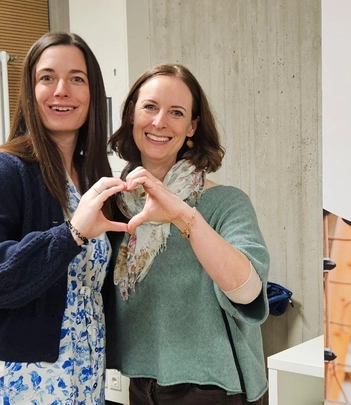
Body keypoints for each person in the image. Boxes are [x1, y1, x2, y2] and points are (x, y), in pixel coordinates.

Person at [0, 32, 128, 404]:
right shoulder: (1, 168)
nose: (62, 90)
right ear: (30, 90)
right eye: (47, 77)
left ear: (93, 94)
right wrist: (70, 234)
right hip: (26, 382)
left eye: (77, 78)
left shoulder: (91, 179)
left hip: (85, 378)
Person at [106, 63, 270, 405]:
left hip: (211, 390)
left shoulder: (225, 203)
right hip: (138, 382)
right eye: (150, 107)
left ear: (192, 126)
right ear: (132, 114)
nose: (159, 122)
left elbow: (249, 292)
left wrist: (181, 214)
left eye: (176, 112)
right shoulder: (116, 206)